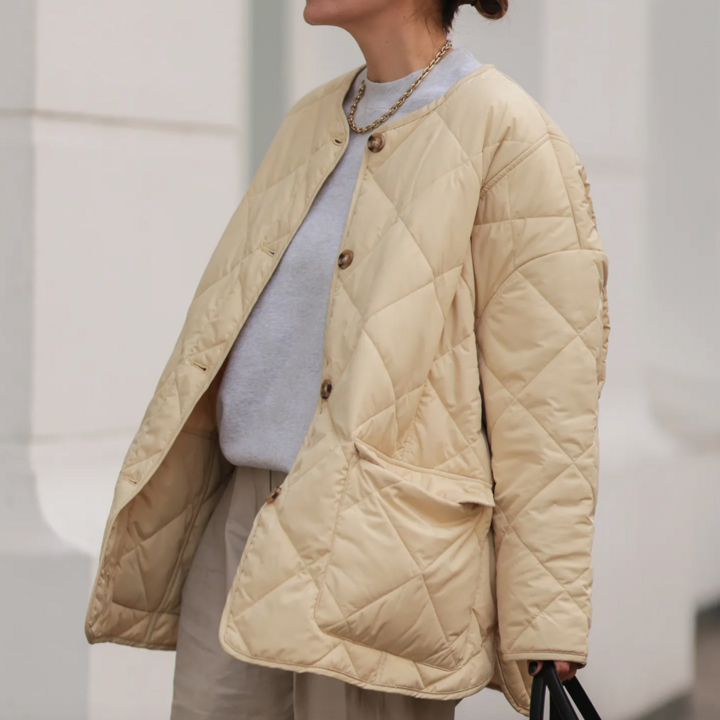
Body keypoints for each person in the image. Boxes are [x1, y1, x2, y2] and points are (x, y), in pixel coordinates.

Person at [85, 0, 611, 718]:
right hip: (244, 518)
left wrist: (547, 614)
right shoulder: (312, 120)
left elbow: (546, 403)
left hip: (381, 547)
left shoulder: (508, 133)